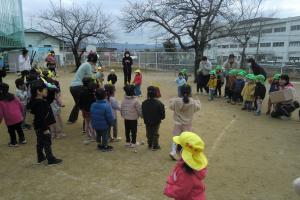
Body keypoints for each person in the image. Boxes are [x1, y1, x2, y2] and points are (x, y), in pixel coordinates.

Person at [164, 131, 208, 200]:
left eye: (177, 144)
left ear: (181, 150)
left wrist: (168, 189)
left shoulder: (185, 173)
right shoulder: (185, 164)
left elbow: (181, 191)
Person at [29, 80, 62, 165]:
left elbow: (50, 97)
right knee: (47, 142)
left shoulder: (36, 100)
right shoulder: (40, 103)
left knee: (40, 142)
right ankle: (51, 159)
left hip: (38, 126)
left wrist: (52, 88)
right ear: (38, 91)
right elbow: (41, 118)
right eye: (44, 89)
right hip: (43, 126)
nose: (46, 90)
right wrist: (45, 129)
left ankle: (40, 157)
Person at [169, 85, 201, 160]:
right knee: (186, 138)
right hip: (187, 123)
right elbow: (198, 107)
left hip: (177, 123)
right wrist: (197, 100)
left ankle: (173, 151)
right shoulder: (192, 102)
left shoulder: (177, 101)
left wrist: (174, 99)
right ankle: (184, 152)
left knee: (175, 137)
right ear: (190, 92)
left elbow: (171, 106)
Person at [68, 52, 97, 124]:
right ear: (93, 60)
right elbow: (91, 77)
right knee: (85, 104)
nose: (94, 65)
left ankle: (72, 119)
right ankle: (86, 124)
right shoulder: (87, 65)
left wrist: (95, 72)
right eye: (94, 63)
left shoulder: (85, 64)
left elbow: (88, 75)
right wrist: (100, 73)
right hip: (78, 87)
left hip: (73, 87)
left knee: (78, 104)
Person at [0, 83, 26, 147]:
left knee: (11, 131)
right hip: (18, 116)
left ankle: (13, 142)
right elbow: (20, 105)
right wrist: (21, 114)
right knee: (19, 128)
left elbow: (0, 113)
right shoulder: (13, 96)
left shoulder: (1, 100)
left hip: (9, 118)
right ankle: (22, 139)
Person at [142, 86, 165, 151]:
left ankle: (150, 144)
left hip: (147, 121)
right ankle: (155, 145)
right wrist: (161, 118)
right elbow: (162, 114)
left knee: (148, 132)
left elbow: (143, 112)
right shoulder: (159, 103)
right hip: (156, 121)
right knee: (155, 132)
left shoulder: (144, 103)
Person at [79, 78, 97, 144]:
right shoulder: (92, 92)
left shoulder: (82, 91)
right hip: (91, 110)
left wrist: (81, 108)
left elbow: (80, 102)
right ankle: (93, 137)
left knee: (87, 122)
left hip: (85, 110)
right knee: (91, 123)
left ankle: (89, 136)